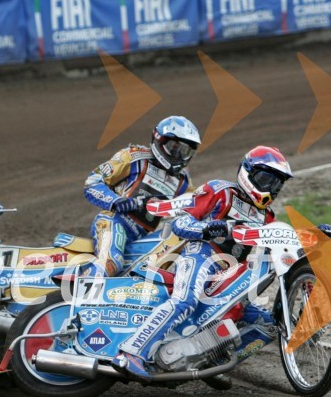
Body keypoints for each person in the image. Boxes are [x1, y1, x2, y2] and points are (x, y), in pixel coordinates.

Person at [112, 146, 295, 382]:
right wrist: (208, 228)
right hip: (201, 254)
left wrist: (310, 237)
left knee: (268, 324)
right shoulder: (221, 191)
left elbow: (278, 247)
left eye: (277, 184)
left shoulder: (267, 216)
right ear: (248, 173)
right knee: (185, 300)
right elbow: (181, 224)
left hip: (229, 273)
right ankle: (131, 352)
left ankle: (212, 364)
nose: (271, 188)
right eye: (267, 179)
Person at [83, 116, 201, 276]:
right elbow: (93, 181)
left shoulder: (183, 181)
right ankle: (83, 285)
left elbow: (197, 205)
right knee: (111, 263)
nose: (178, 155)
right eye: (174, 147)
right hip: (115, 222)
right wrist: (116, 201)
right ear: (160, 140)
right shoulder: (133, 156)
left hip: (146, 237)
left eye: (185, 151)